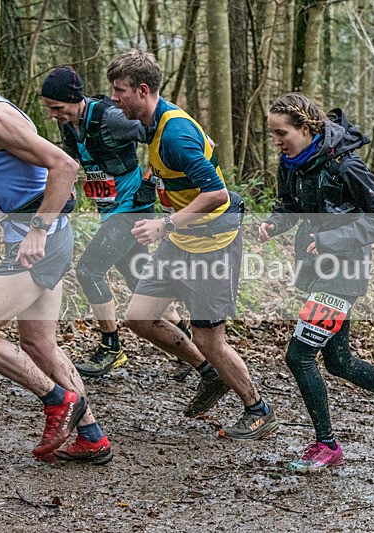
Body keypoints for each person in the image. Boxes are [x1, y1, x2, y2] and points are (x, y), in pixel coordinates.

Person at [105, 49, 277, 435]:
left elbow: (217, 193)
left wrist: (165, 224)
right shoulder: (154, 122)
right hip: (182, 239)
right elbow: (204, 146)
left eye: (120, 91)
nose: (114, 99)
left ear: (143, 90)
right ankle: (209, 374)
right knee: (139, 316)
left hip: (212, 244)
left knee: (209, 339)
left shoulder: (175, 134)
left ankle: (258, 408)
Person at [259, 93, 374, 472]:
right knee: (339, 361)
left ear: (307, 128)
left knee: (299, 356)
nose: (276, 141)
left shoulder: (345, 165)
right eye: (272, 133)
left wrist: (330, 240)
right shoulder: (291, 163)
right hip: (317, 270)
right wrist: (274, 223)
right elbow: (290, 205)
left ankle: (327, 445)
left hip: (343, 274)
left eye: (281, 133)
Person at [0, 58, 111, 464]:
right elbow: (5, 175)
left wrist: (38, 230)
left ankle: (56, 399)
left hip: (41, 242)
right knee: (39, 344)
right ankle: (91, 437)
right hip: (31, 238)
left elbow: (65, 166)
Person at [40, 65, 194, 380]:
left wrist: (151, 180)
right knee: (141, 284)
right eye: (50, 109)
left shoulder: (111, 118)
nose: (53, 115)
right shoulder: (70, 125)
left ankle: (111, 347)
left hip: (132, 210)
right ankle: (189, 343)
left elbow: (159, 138)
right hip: (111, 211)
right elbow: (70, 163)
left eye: (57, 107)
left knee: (88, 271)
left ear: (75, 99)